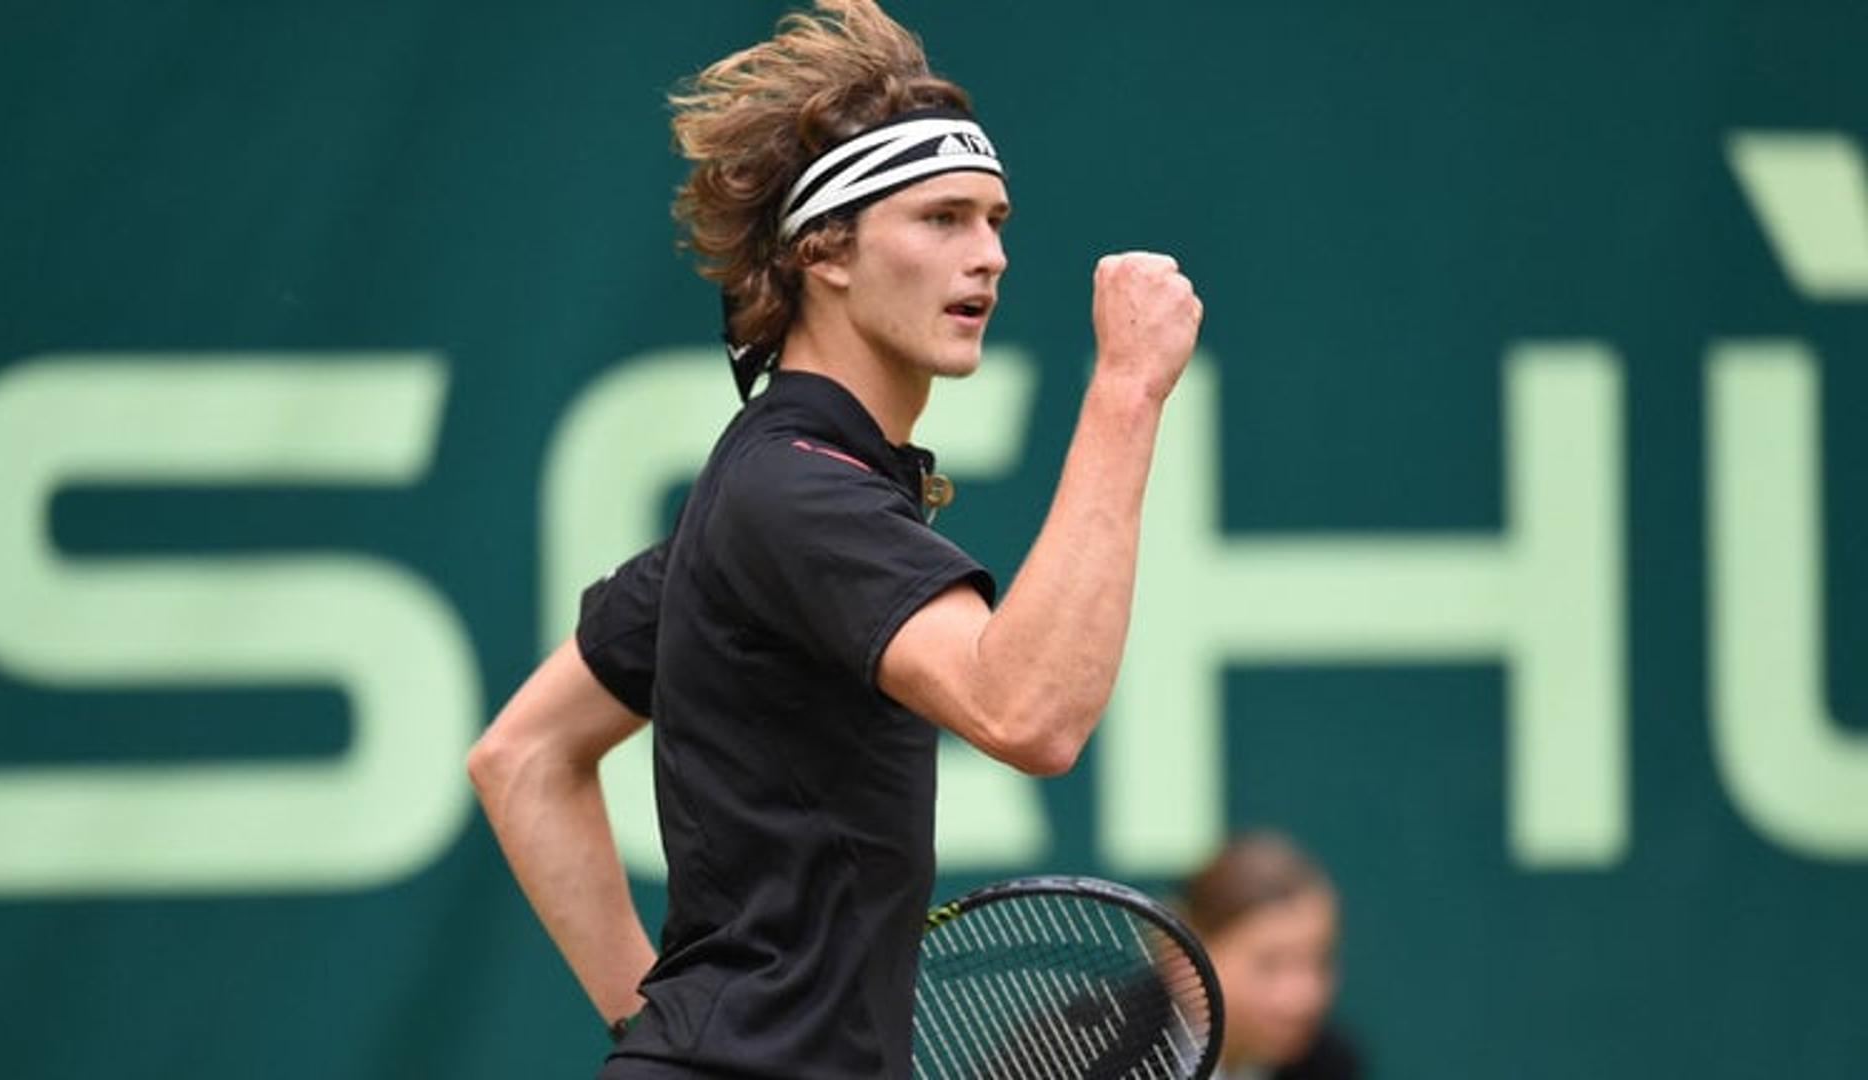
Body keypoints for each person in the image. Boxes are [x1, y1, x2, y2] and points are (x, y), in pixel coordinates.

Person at [466, 1, 1201, 1075]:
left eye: (996, 219)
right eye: (942, 219)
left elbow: (521, 757)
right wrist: (1128, 391)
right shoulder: (797, 499)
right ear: (826, 251)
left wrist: (660, 1033)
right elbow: (1029, 712)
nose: (988, 256)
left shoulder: (755, 501)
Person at [1181, 832, 1365, 1080]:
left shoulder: (1331, 1063)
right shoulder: (1115, 1042)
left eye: (1321, 961)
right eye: (1270, 964)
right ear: (1182, 957)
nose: (1303, 998)